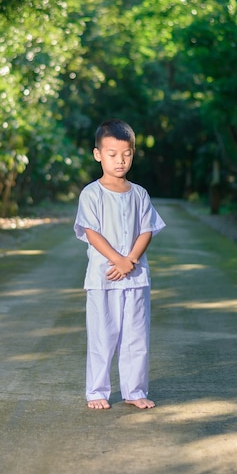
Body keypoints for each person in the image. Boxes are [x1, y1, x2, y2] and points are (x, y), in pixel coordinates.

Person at [74, 119, 166, 410]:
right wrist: (119, 261)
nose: (120, 161)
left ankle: (134, 390)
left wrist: (132, 261)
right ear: (98, 154)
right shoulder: (92, 194)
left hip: (136, 278)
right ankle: (97, 391)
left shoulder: (139, 194)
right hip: (104, 277)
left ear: (133, 153)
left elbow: (147, 229)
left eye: (126, 154)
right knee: (103, 335)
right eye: (112, 154)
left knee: (136, 336)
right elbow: (91, 232)